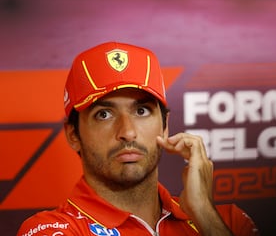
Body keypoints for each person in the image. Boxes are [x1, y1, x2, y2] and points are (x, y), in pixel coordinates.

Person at [17, 42, 259, 236]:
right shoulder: (53, 230)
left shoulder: (228, 221)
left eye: (141, 111)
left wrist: (204, 213)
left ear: (165, 126)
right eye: (104, 114)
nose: (128, 132)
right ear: (73, 135)